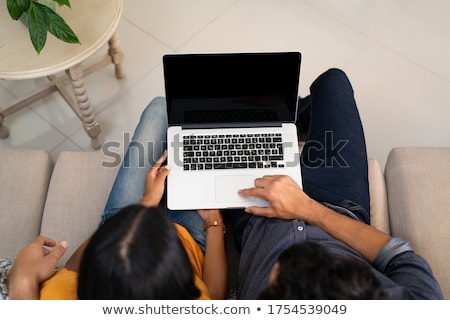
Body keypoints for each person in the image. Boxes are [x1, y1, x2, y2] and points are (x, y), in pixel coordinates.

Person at [230, 68, 443, 299]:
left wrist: (212, 223)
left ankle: (282, 120)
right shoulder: (420, 305)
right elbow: (397, 254)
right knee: (333, 82)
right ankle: (298, 118)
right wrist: (307, 208)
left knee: (232, 109)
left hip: (258, 217)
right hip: (338, 205)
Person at [7, 152, 227, 300]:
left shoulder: (59, 297)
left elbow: (73, 267)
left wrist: (146, 203)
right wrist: (214, 221)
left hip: (122, 222)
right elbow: (214, 295)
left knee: (160, 109)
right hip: (193, 235)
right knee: (162, 108)